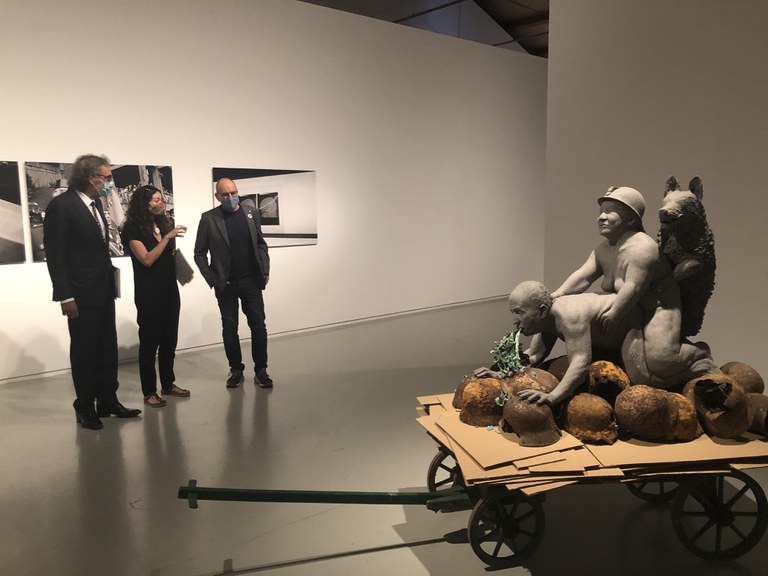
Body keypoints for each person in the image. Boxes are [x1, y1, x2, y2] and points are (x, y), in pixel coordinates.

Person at [476, 281, 718, 406]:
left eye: (519, 312)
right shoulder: (545, 321)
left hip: (627, 325)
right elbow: (534, 356)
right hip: (606, 337)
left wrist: (553, 396)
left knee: (644, 379)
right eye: (513, 313)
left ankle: (699, 356)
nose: (515, 321)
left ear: (541, 310)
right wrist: (499, 374)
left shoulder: (568, 316)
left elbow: (581, 362)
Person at [43, 154, 141, 430]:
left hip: (103, 289)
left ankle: (108, 400)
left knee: (107, 347)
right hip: (80, 293)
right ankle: (84, 406)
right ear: (90, 177)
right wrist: (65, 295)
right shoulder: (62, 206)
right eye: (107, 177)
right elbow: (56, 255)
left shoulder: (95, 204)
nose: (110, 182)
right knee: (85, 350)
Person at [194, 177, 272, 389]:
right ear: (217, 196)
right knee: (230, 328)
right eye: (225, 194)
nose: (230, 197)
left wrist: (264, 268)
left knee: (258, 326)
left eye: (233, 193)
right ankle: (236, 370)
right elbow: (199, 254)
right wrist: (213, 278)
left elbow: (261, 244)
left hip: (251, 281)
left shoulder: (251, 213)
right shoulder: (209, 219)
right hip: (226, 285)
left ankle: (261, 370)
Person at [121, 185, 192, 407]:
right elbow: (147, 259)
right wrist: (167, 237)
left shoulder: (162, 224)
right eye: (154, 199)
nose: (160, 203)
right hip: (148, 293)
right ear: (143, 203)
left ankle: (168, 384)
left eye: (161, 199)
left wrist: (183, 271)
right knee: (150, 343)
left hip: (170, 290)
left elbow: (168, 256)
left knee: (169, 340)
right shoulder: (131, 229)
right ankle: (149, 391)